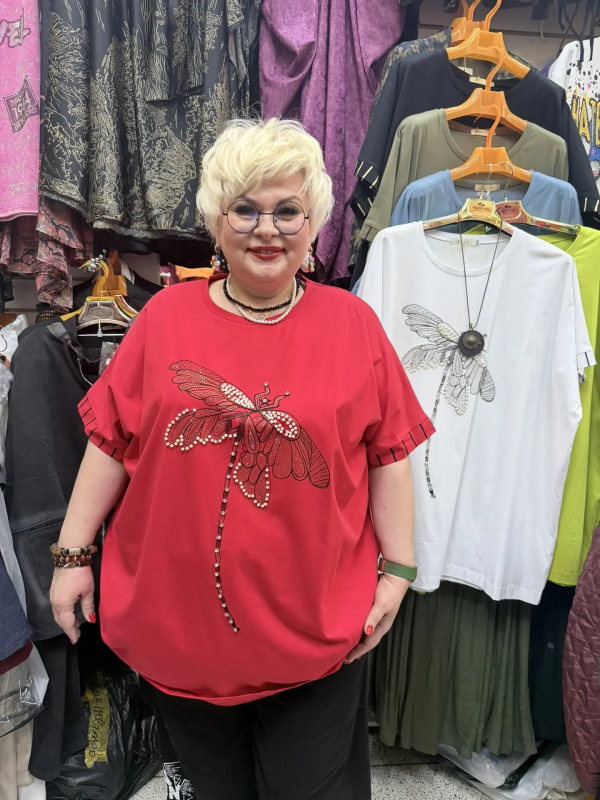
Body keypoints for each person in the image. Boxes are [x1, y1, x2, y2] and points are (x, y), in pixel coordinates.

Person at [50, 118, 433, 800]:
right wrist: (73, 557)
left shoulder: (353, 325)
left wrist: (398, 572)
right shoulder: (163, 318)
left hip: (316, 625)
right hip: (179, 629)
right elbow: (110, 441)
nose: (266, 230)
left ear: (313, 223)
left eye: (287, 211)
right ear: (216, 221)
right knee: (213, 788)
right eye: (245, 209)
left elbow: (389, 455)